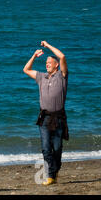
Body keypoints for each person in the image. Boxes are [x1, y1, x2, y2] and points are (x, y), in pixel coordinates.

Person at [23, 41, 69, 185]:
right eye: (46, 62)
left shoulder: (62, 76)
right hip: (44, 118)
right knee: (45, 148)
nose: (47, 64)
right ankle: (50, 175)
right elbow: (26, 69)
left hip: (58, 118)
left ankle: (54, 172)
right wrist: (34, 56)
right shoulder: (41, 77)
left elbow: (62, 56)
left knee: (57, 148)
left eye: (50, 62)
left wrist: (48, 46)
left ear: (56, 65)